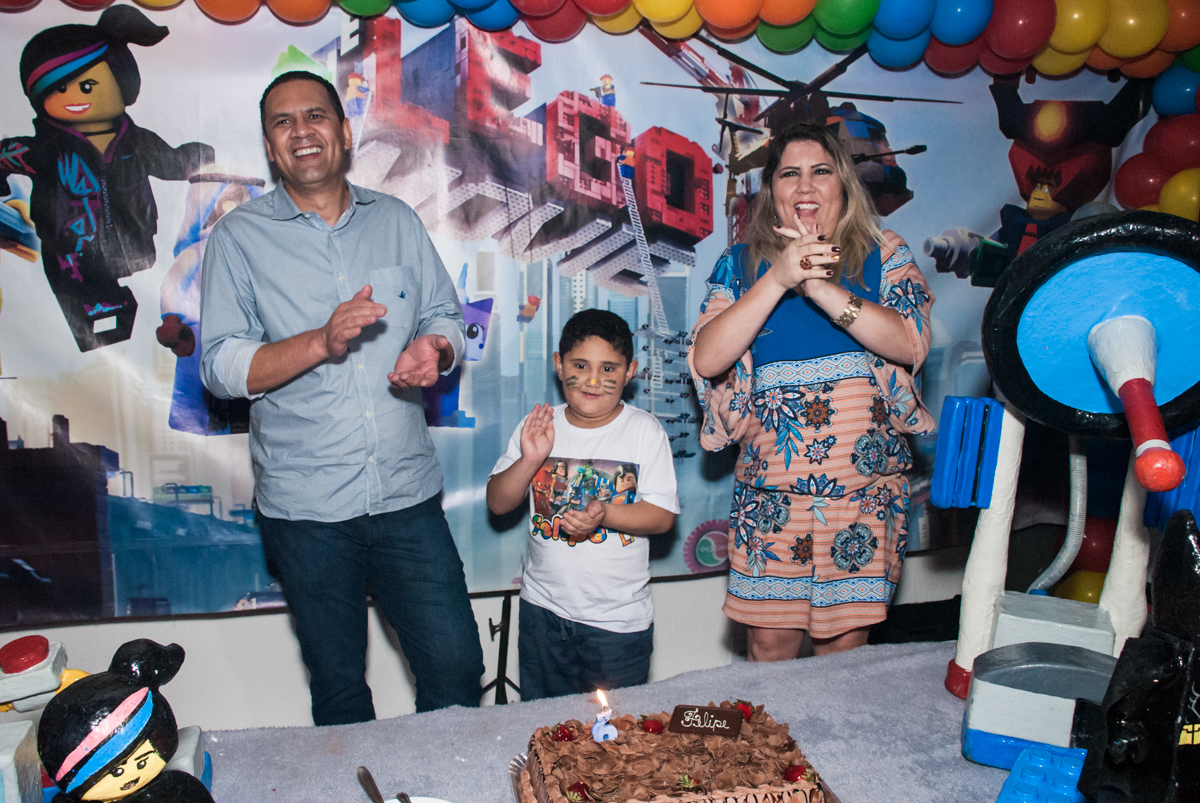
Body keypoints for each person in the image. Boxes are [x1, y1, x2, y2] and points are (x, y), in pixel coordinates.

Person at [199, 71, 483, 725]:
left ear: (345, 132)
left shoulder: (397, 221)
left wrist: (436, 349)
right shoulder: (238, 239)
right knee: (339, 689)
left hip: (406, 497)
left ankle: (439, 777)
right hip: (306, 510)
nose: (301, 131)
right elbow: (219, 365)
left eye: (315, 115)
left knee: (455, 665)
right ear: (271, 146)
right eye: (283, 121)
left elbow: (443, 313)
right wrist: (320, 342)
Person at [688, 122, 936, 663]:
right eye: (789, 174)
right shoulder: (740, 265)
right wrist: (779, 278)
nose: (805, 186)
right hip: (770, 502)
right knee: (768, 649)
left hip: (863, 501)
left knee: (842, 657)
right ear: (770, 191)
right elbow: (707, 358)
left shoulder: (884, 253)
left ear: (843, 183)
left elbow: (910, 341)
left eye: (820, 171)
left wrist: (821, 288)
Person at [487, 309, 679, 699]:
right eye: (580, 366)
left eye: (608, 368)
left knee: (615, 729)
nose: (593, 380)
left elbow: (661, 517)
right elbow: (498, 503)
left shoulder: (644, 431)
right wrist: (530, 460)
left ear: (630, 372)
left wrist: (604, 514)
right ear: (559, 365)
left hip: (617, 624)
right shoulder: (539, 425)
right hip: (542, 613)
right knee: (545, 723)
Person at [3, 5, 214, 352]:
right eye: (58, 89)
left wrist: (197, 157)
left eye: (88, 85)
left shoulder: (136, 141)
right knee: (93, 330)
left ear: (124, 83)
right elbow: (8, 155)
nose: (74, 98)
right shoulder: (46, 149)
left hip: (134, 249)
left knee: (134, 325)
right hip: (71, 258)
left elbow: (170, 162)